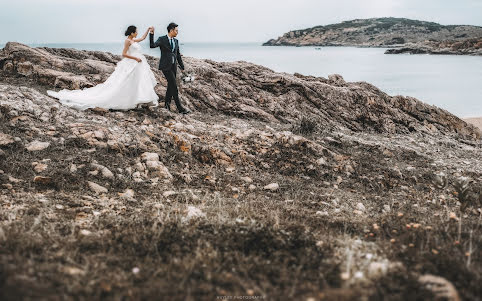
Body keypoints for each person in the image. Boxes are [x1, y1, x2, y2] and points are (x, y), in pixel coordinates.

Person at [47, 26, 158, 110]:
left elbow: (143, 38)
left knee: (137, 82)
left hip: (138, 64)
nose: (137, 33)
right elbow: (124, 54)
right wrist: (135, 58)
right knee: (124, 82)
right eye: (136, 31)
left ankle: (138, 99)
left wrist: (149, 30)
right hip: (132, 62)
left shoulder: (134, 40)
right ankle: (129, 100)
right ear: (132, 32)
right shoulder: (127, 41)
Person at [150, 22, 190, 114]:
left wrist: (182, 66)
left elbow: (178, 55)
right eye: (176, 30)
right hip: (165, 66)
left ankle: (167, 105)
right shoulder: (162, 39)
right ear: (171, 30)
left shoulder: (176, 41)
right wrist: (152, 34)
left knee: (170, 86)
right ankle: (180, 108)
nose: (177, 32)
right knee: (174, 86)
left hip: (173, 66)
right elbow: (152, 45)